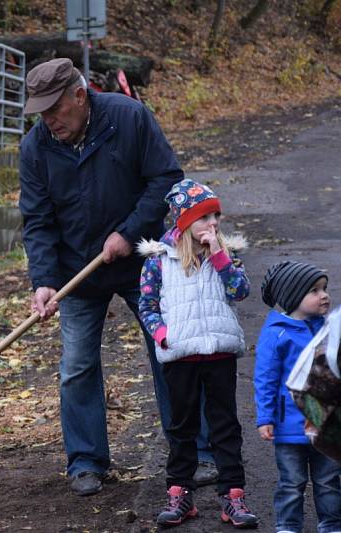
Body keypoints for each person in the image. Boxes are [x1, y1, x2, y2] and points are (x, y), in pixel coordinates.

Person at [19, 57, 216, 497]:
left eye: (55, 109)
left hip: (141, 262)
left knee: (170, 351)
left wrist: (128, 233)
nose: (49, 121)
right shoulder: (35, 147)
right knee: (76, 365)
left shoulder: (129, 117)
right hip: (77, 272)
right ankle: (86, 461)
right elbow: (37, 220)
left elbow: (166, 178)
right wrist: (44, 280)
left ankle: (196, 451)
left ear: (79, 95)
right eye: (41, 113)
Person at [138, 178, 259, 528]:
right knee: (182, 426)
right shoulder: (160, 260)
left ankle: (233, 496)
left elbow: (240, 291)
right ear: (185, 221)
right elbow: (146, 304)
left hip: (218, 351)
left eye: (216, 216)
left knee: (225, 426)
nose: (214, 224)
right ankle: (179, 494)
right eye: (206, 217)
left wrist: (220, 256)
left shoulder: (225, 254)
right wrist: (162, 336)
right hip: (180, 354)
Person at [255, 261, 341, 533]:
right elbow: (266, 379)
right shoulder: (276, 333)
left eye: (324, 288)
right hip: (289, 425)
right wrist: (265, 417)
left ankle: (331, 525)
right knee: (292, 483)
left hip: (325, 423)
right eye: (314, 291)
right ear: (294, 297)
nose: (324, 295)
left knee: (329, 480)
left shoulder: (329, 329)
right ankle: (288, 526)